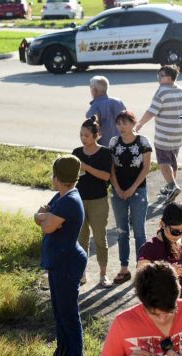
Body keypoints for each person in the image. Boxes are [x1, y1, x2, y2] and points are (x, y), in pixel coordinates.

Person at [34, 156, 88, 356]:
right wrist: (43, 216)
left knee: (68, 313)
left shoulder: (68, 201)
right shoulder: (62, 196)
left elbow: (45, 226)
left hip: (67, 262)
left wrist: (42, 216)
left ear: (57, 177)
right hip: (60, 260)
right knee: (59, 311)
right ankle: (62, 354)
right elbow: (42, 219)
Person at [136, 65, 182, 204]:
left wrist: (140, 124)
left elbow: (152, 111)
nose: (159, 78)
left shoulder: (161, 92)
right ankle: (170, 187)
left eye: (161, 76)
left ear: (169, 77)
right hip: (178, 133)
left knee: (163, 162)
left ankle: (173, 186)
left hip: (164, 134)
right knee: (172, 161)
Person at [109, 110, 152, 285]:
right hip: (117, 192)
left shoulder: (143, 141)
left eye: (124, 123)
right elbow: (111, 168)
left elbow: (146, 167)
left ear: (133, 124)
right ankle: (124, 267)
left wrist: (132, 188)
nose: (121, 127)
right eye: (118, 123)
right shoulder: (114, 142)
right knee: (121, 231)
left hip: (138, 191)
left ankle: (141, 269)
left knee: (139, 232)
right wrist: (118, 188)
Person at [73, 116, 112, 288]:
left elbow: (106, 176)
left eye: (86, 135)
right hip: (79, 201)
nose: (83, 138)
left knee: (100, 239)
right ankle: (82, 272)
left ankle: (103, 274)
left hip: (98, 200)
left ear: (96, 135)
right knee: (81, 240)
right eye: (81, 135)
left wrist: (86, 167)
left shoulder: (104, 153)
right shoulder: (76, 153)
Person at [138, 203, 182, 299]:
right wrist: (168, 275)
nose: (179, 235)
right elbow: (143, 288)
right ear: (162, 224)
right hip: (162, 308)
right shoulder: (148, 248)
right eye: (175, 231)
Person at [86, 75, 126, 146]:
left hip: (105, 147)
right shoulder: (118, 102)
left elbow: (92, 129)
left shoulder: (95, 106)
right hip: (122, 145)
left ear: (94, 90)